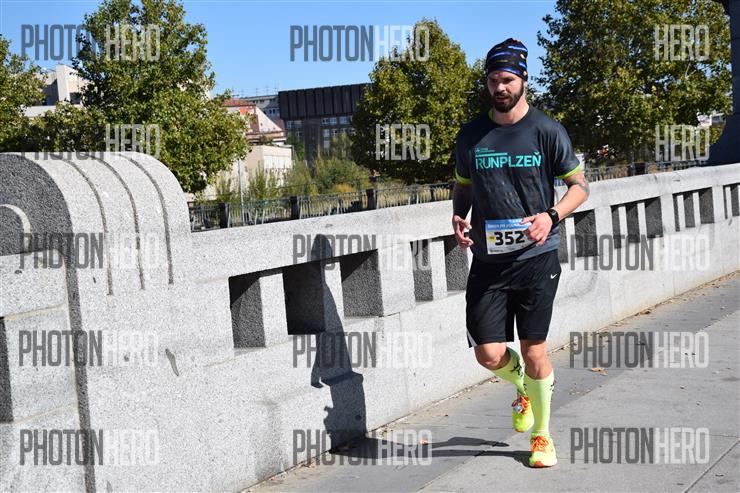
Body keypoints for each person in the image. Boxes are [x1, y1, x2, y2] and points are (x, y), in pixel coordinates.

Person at [451, 37, 590, 468]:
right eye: (493, 79)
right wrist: (458, 215)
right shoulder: (471, 135)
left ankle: (542, 436)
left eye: (508, 79)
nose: (500, 87)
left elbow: (579, 187)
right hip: (488, 260)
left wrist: (552, 215)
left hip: (537, 257)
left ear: (524, 80)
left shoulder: (546, 130)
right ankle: (524, 389)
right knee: (488, 354)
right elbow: (463, 185)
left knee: (534, 352)